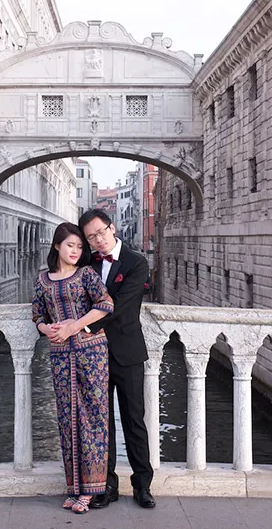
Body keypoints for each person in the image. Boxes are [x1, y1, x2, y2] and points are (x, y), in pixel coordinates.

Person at [32, 222, 114, 514]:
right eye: (71, 245)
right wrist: (47, 328)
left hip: (91, 353)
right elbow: (37, 313)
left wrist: (73, 327)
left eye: (80, 247)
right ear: (57, 246)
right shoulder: (43, 280)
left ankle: (90, 492)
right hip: (59, 355)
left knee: (92, 419)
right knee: (67, 420)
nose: (76, 251)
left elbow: (106, 304)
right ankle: (73, 488)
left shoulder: (87, 274)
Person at [78, 209, 155, 509]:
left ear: (112, 228)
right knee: (101, 422)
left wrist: (83, 325)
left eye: (100, 233)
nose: (98, 240)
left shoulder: (138, 262)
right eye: (90, 238)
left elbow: (121, 306)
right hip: (93, 353)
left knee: (134, 420)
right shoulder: (88, 263)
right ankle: (106, 486)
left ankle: (142, 485)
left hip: (128, 353)